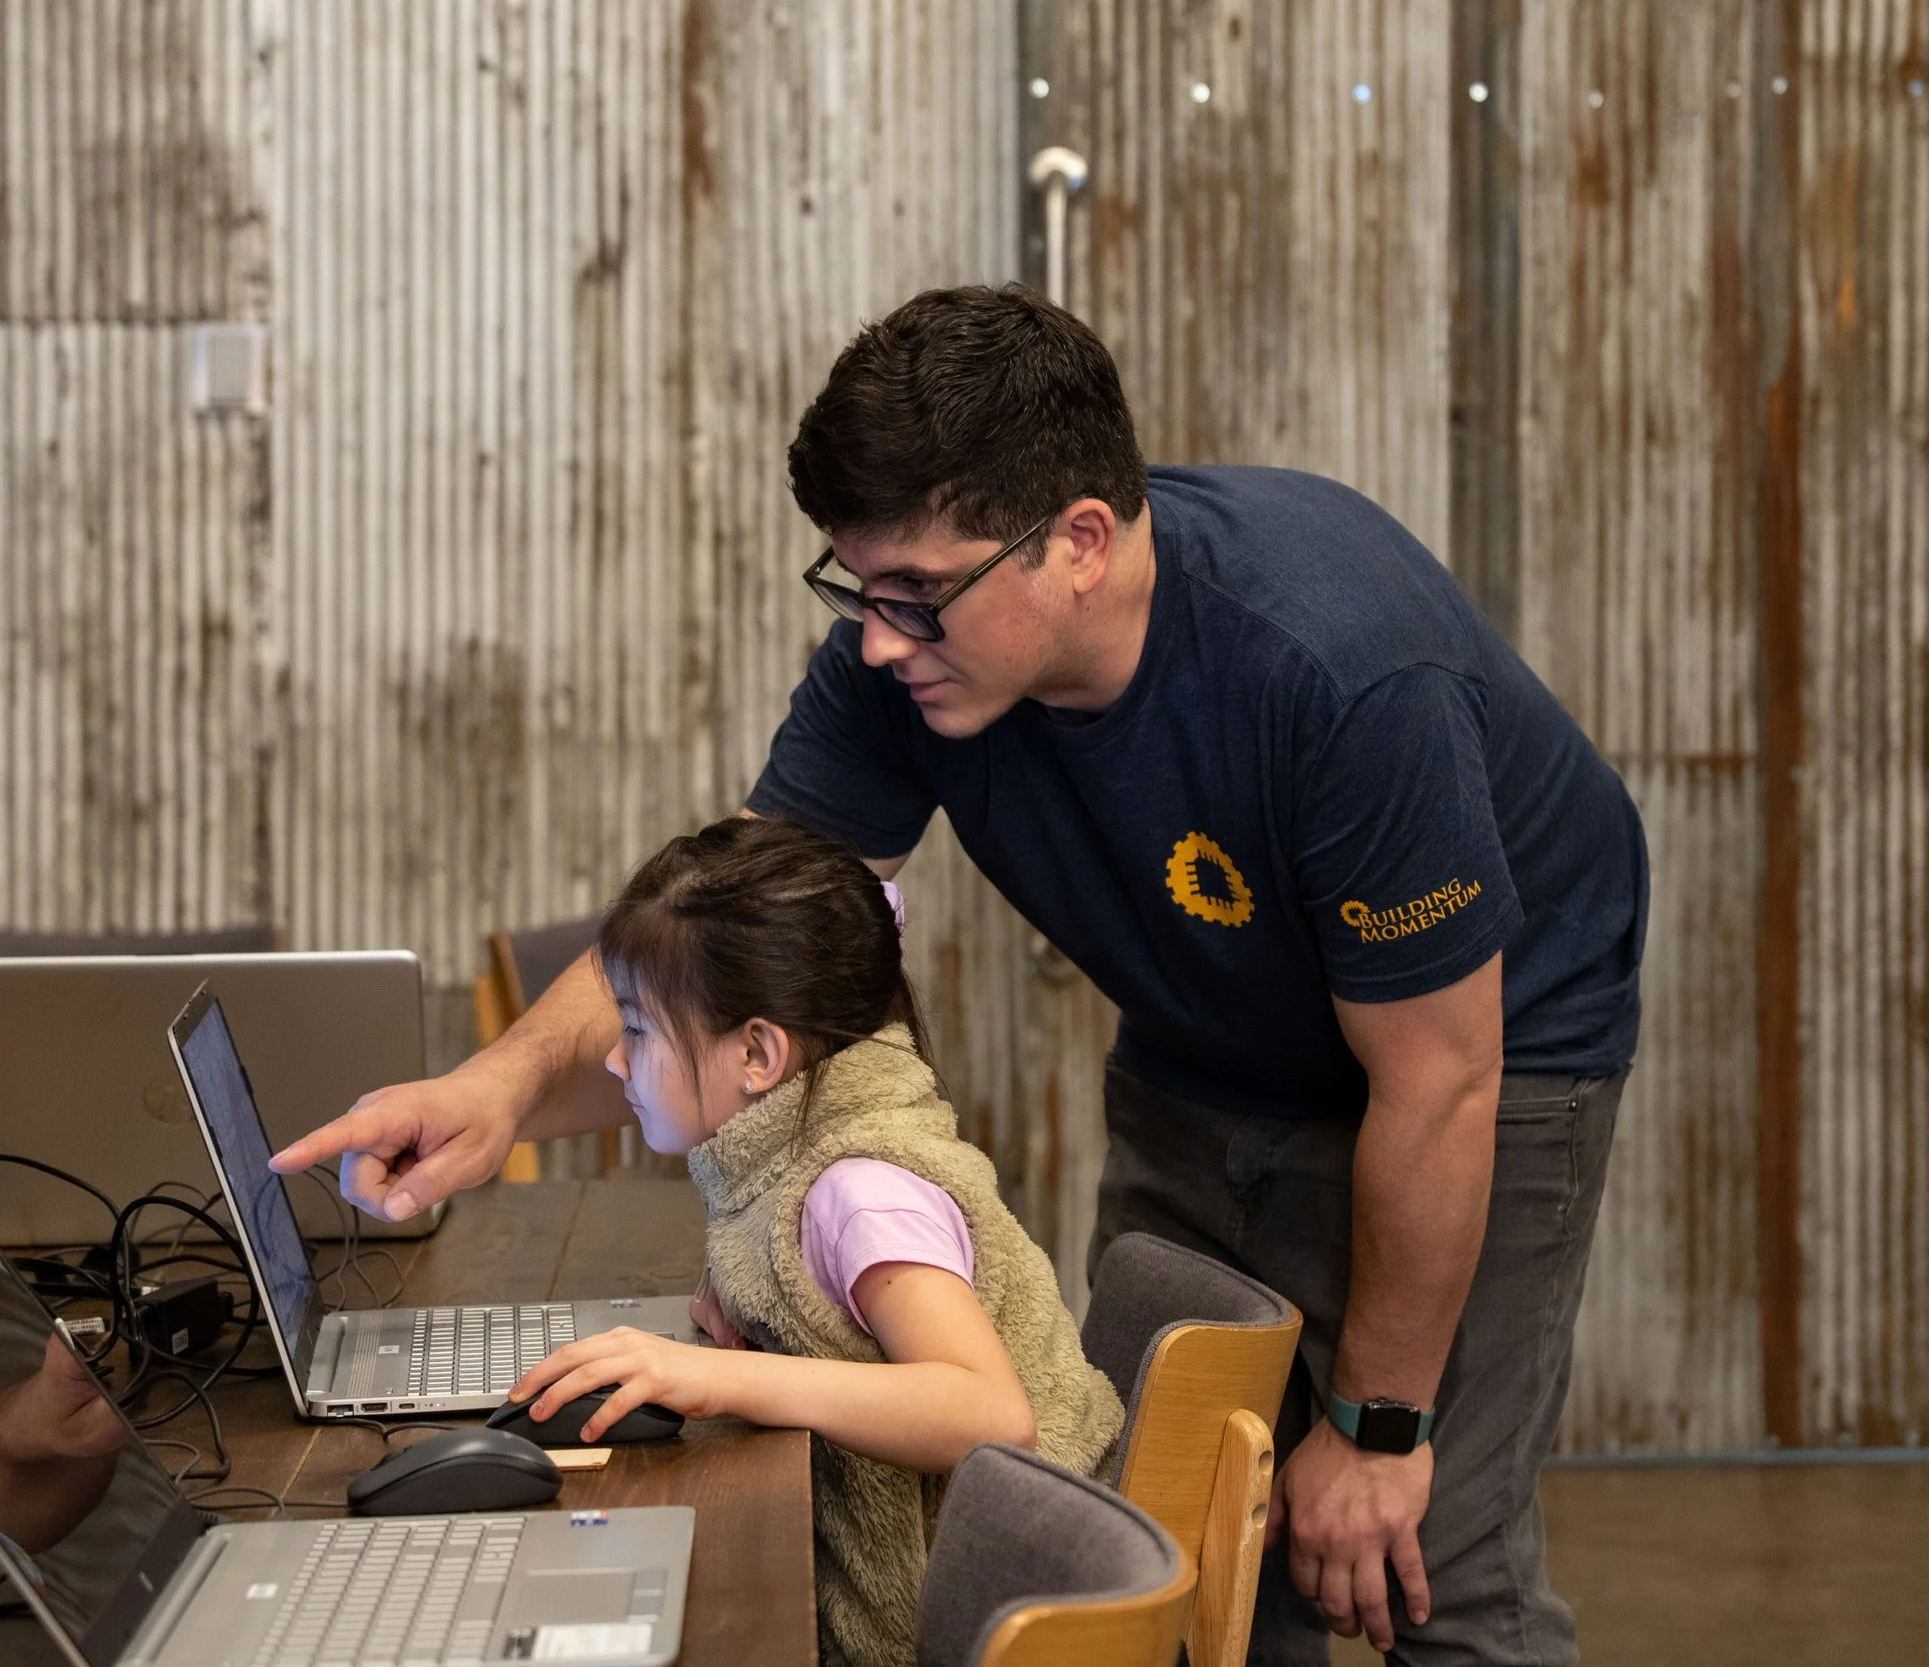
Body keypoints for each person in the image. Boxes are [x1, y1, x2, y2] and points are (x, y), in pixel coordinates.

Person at [279, 284, 1648, 1666]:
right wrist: (499, 1088)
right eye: (858, 589)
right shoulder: (910, 662)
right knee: (1164, 1540)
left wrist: (1379, 1425)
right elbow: (714, 931)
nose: (878, 639)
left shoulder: (1341, 673)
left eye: (917, 595)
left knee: (1418, 1558)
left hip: (1490, 1056)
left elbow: (1442, 1073)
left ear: (1080, 544)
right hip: (1204, 1031)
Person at [504, 814, 1120, 1667]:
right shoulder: (792, 1152)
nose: (614, 1060)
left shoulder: (862, 1191)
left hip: (1004, 1614)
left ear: (758, 1052)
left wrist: (723, 1375)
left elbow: (992, 1415)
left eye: (638, 1029)